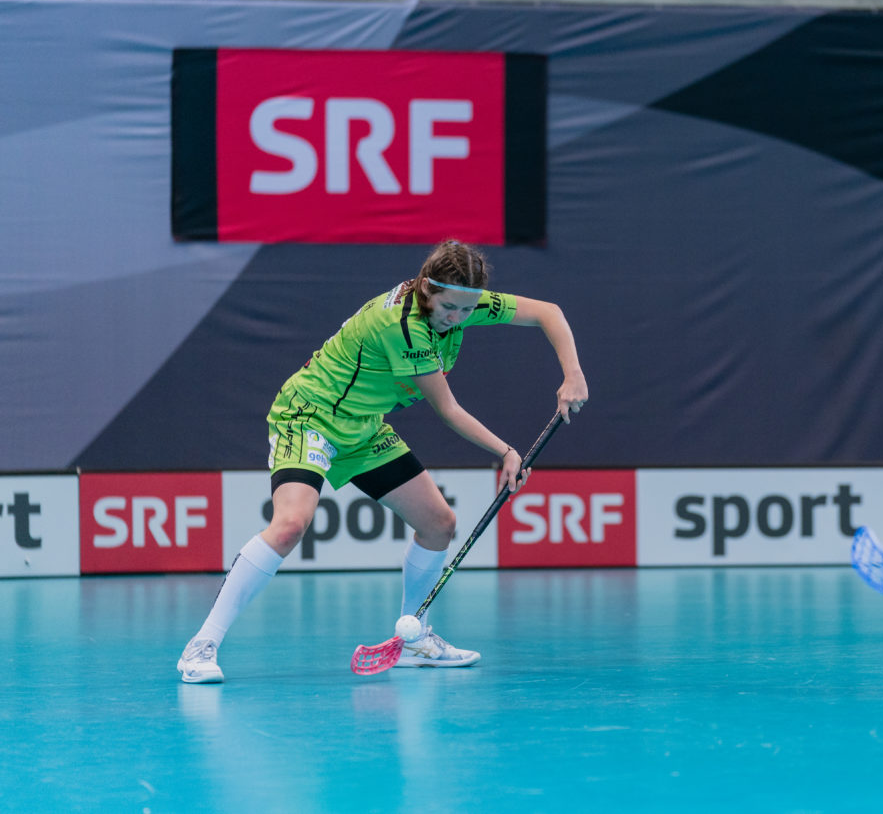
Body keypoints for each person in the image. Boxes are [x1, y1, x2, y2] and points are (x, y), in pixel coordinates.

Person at [177, 240, 588, 683]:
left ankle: (413, 638)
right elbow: (447, 409)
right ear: (426, 289)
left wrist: (573, 373)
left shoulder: (462, 298)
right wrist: (507, 451)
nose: (457, 318)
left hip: (362, 425)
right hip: (309, 415)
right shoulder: (404, 328)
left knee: (438, 524)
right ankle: (202, 646)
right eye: (449, 307)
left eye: (467, 310)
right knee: (291, 524)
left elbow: (549, 312)